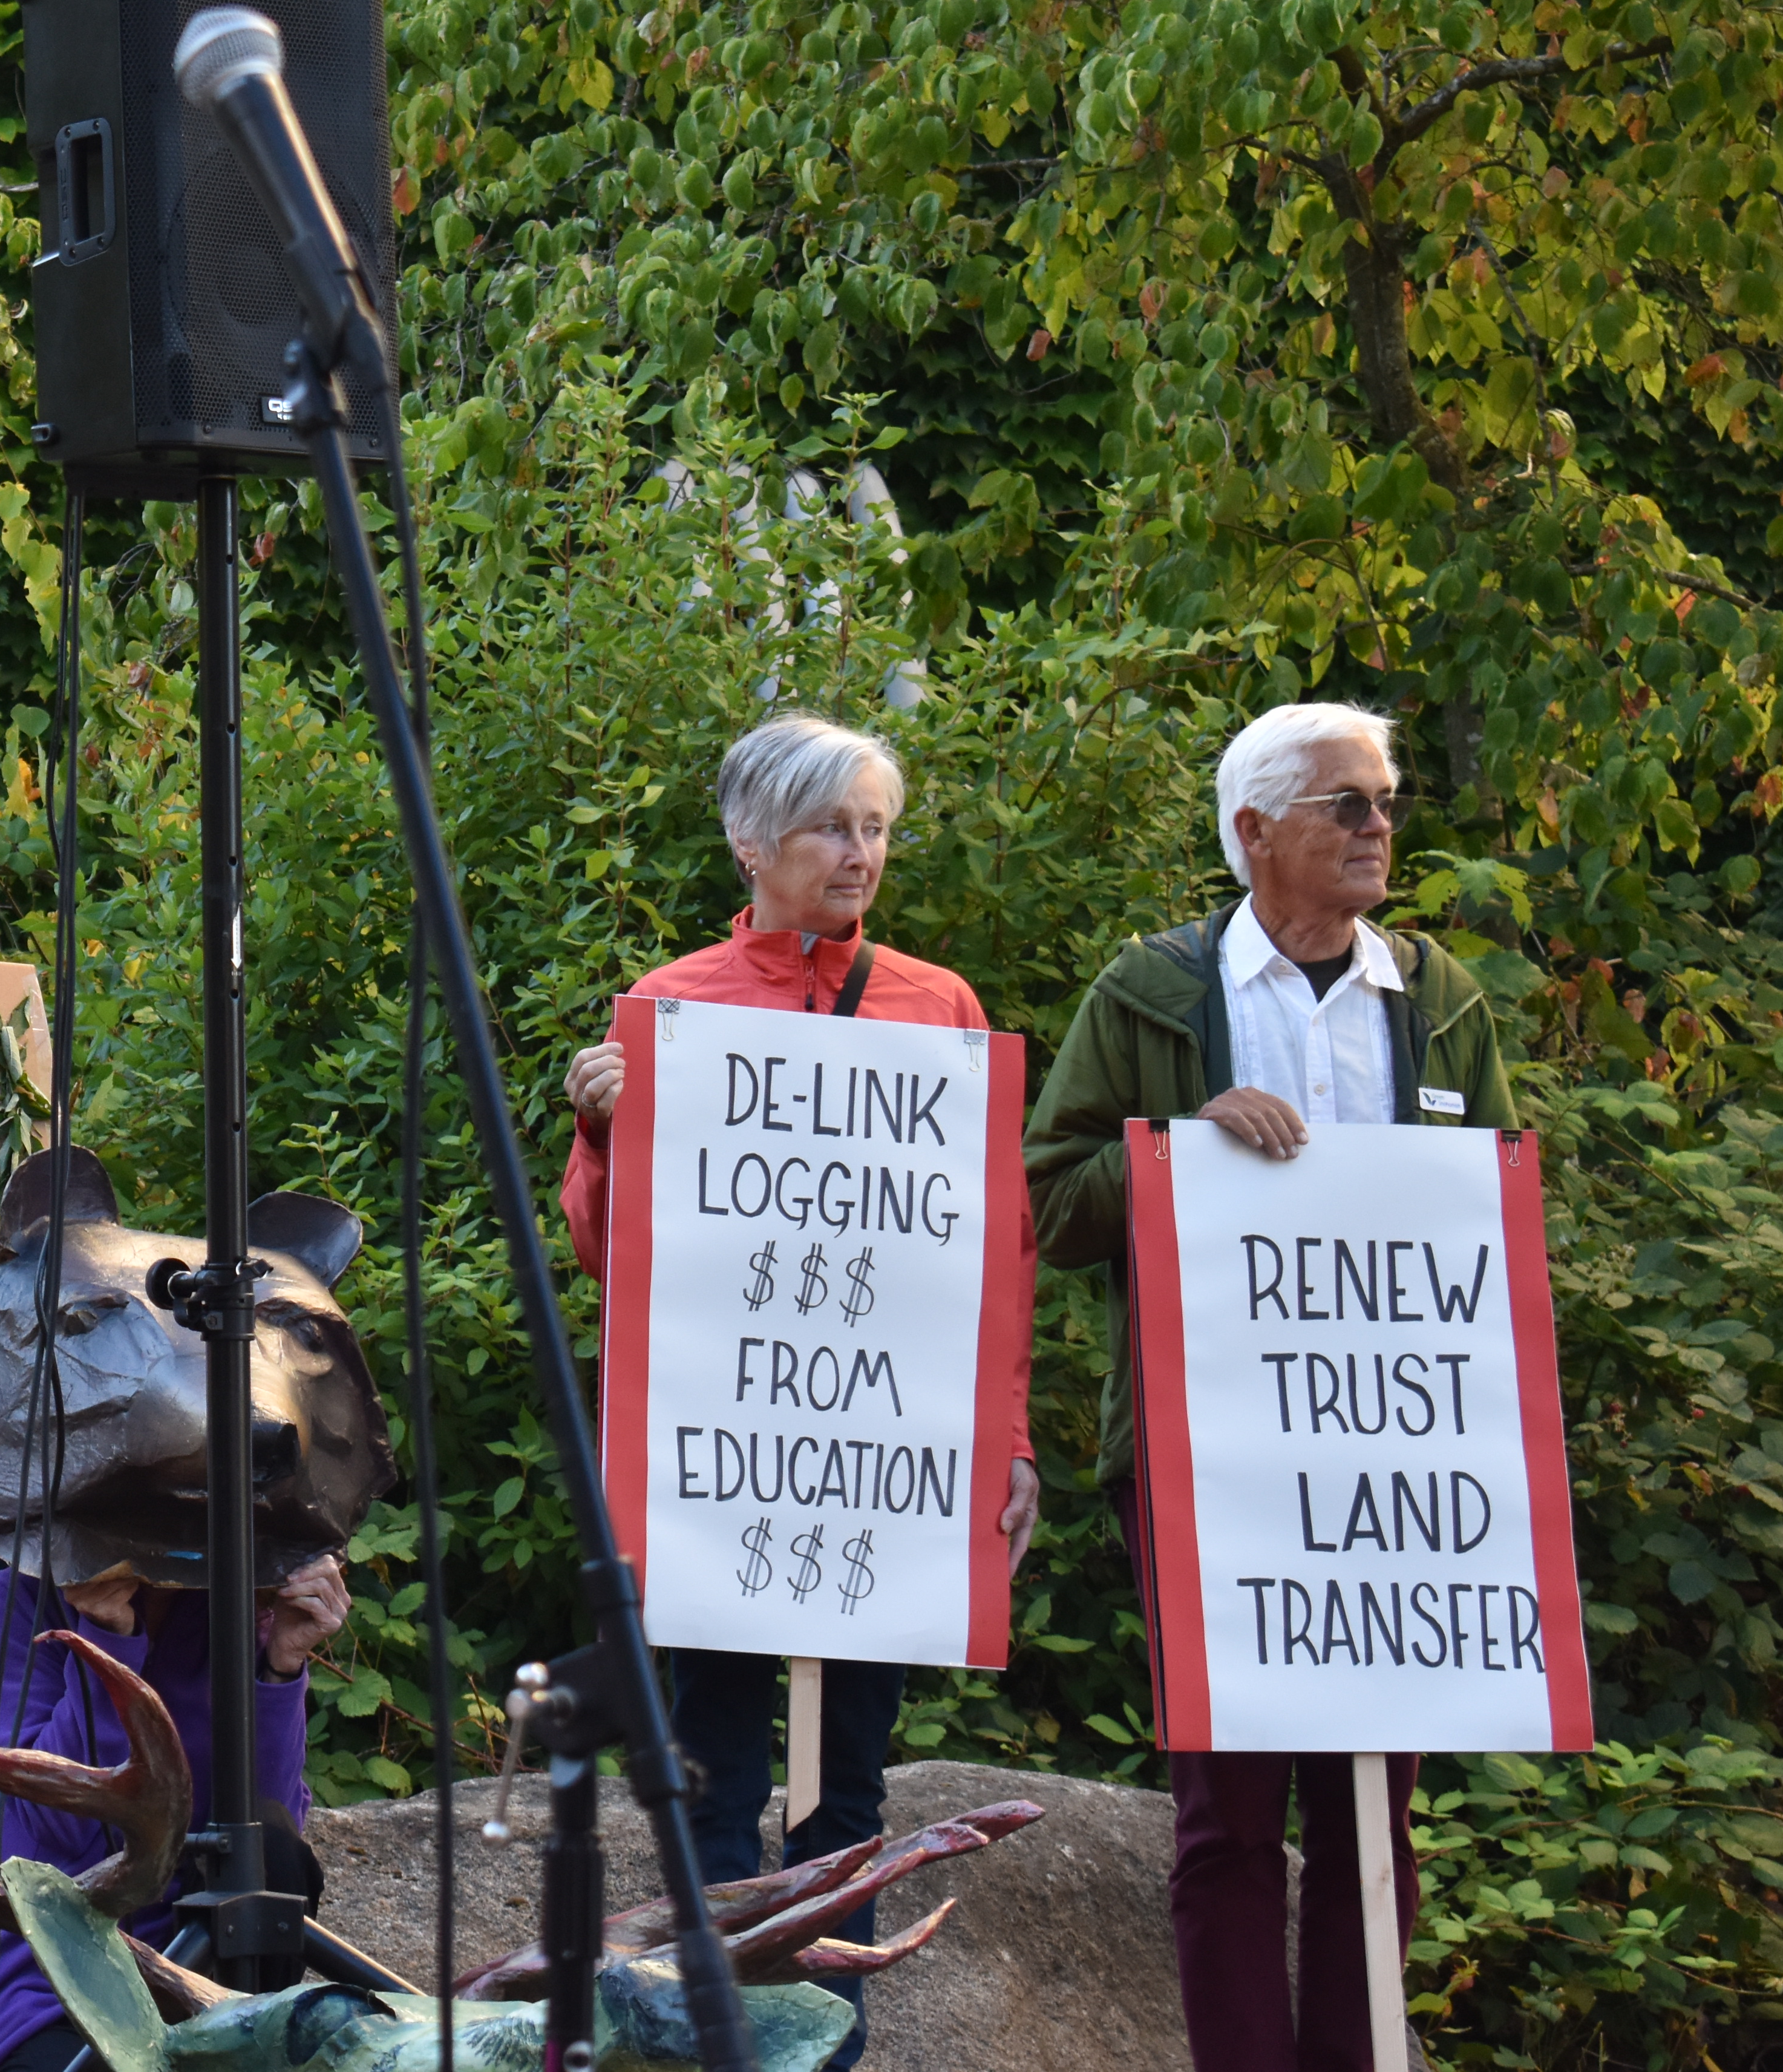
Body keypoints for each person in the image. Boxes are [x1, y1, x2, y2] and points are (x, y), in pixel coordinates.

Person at [1023, 700, 1516, 2072]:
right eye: (1345, 804)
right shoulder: (1152, 994)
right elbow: (1050, 1201)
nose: (1379, 827)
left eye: (1384, 800)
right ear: (1253, 834)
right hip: (1209, 1463)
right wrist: (1181, 1147)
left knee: (1372, 1814)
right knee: (1228, 1816)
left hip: (1399, 1474)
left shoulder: (1442, 999)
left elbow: (1499, 1216)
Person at [553, 712, 1038, 2072]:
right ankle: (713, 2048)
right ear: (753, 841)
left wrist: (1007, 1438)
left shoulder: (939, 1005)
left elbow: (994, 1248)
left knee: (845, 1789)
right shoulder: (675, 999)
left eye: (877, 824)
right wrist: (603, 1131)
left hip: (874, 1455)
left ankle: (825, 2049)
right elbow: (612, 1254)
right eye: (834, 824)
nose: (861, 851)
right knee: (707, 1770)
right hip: (717, 1453)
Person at [0, 1555, 350, 2072]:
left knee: (277, 1855)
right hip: (53, 1984)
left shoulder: (232, 1604)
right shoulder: (19, 1597)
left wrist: (282, 1663)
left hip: (199, 1986)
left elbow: (270, 1835)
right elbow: (58, 1819)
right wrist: (105, 1641)